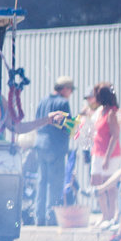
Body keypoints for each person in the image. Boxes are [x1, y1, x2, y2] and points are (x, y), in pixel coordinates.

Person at [32, 75, 75, 226]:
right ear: (65, 89)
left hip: (40, 144)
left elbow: (37, 121)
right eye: (70, 90)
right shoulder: (63, 103)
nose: (70, 93)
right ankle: (52, 217)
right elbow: (67, 126)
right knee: (55, 182)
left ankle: (39, 216)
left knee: (41, 181)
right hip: (55, 146)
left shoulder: (43, 101)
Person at [87, 82, 121, 223]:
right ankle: (105, 214)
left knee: (109, 186)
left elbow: (115, 135)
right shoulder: (100, 111)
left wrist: (107, 157)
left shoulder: (111, 113)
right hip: (97, 152)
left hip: (110, 154)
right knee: (96, 182)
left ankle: (112, 214)